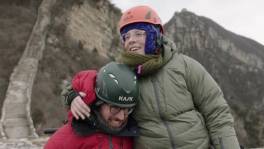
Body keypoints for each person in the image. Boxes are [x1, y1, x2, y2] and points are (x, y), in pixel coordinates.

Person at [65, 5, 240, 149]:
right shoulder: (121, 74)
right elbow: (86, 83)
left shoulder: (185, 66)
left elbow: (217, 113)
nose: (131, 40)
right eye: (126, 36)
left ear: (155, 36)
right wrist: (72, 96)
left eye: (139, 33)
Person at [45, 62, 139, 149]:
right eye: (115, 108)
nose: (121, 117)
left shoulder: (131, 135)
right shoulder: (68, 139)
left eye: (127, 109)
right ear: (98, 103)